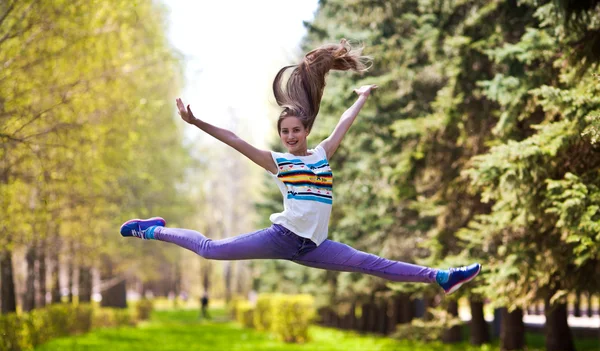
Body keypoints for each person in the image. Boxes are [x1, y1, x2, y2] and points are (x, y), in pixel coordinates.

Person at [120, 39, 481, 295]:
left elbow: (343, 124)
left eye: (296, 130)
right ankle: (151, 230)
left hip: (315, 247)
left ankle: (442, 277)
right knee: (211, 249)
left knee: (371, 264)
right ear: (280, 136)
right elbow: (234, 139)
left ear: (306, 130)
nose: (291, 136)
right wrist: (197, 122)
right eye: (285, 132)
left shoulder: (322, 154)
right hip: (283, 237)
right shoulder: (279, 163)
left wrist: (362, 97)